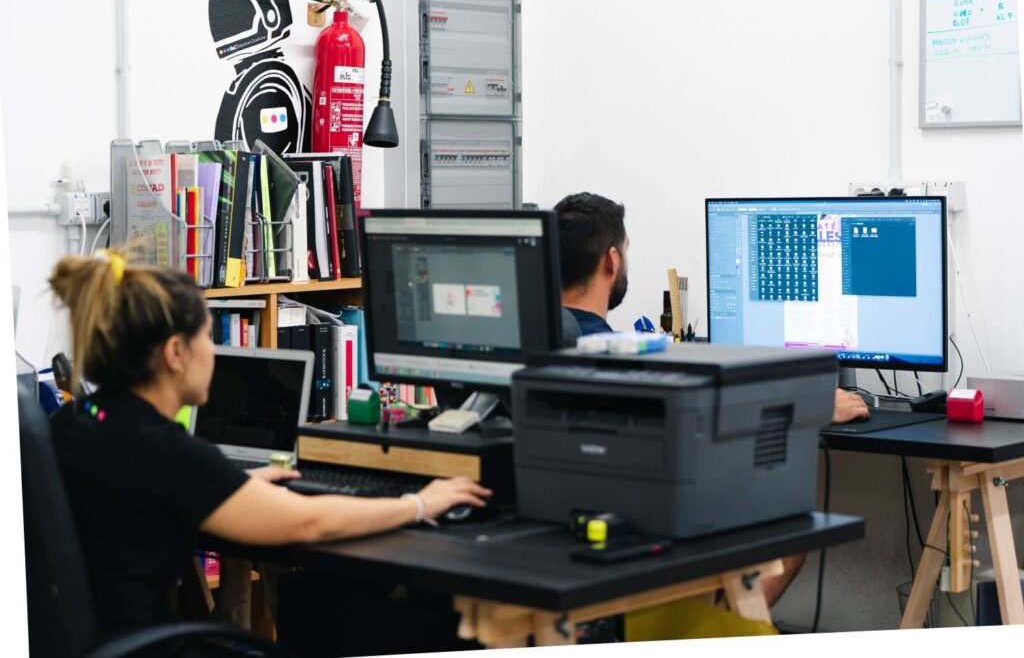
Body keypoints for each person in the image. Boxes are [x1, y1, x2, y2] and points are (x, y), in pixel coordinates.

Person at [46, 250, 491, 646]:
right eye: (207, 338)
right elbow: (307, 521)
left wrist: (234, 485)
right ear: (176, 352)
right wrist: (418, 503)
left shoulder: (77, 420)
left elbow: (140, 492)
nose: (213, 353)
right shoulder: (166, 451)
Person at [553, 191, 868, 605]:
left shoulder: (542, 340)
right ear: (612, 260)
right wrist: (816, 405)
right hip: (632, 528)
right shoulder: (614, 358)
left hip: (560, 526)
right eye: (626, 251)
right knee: (790, 537)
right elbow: (711, 421)